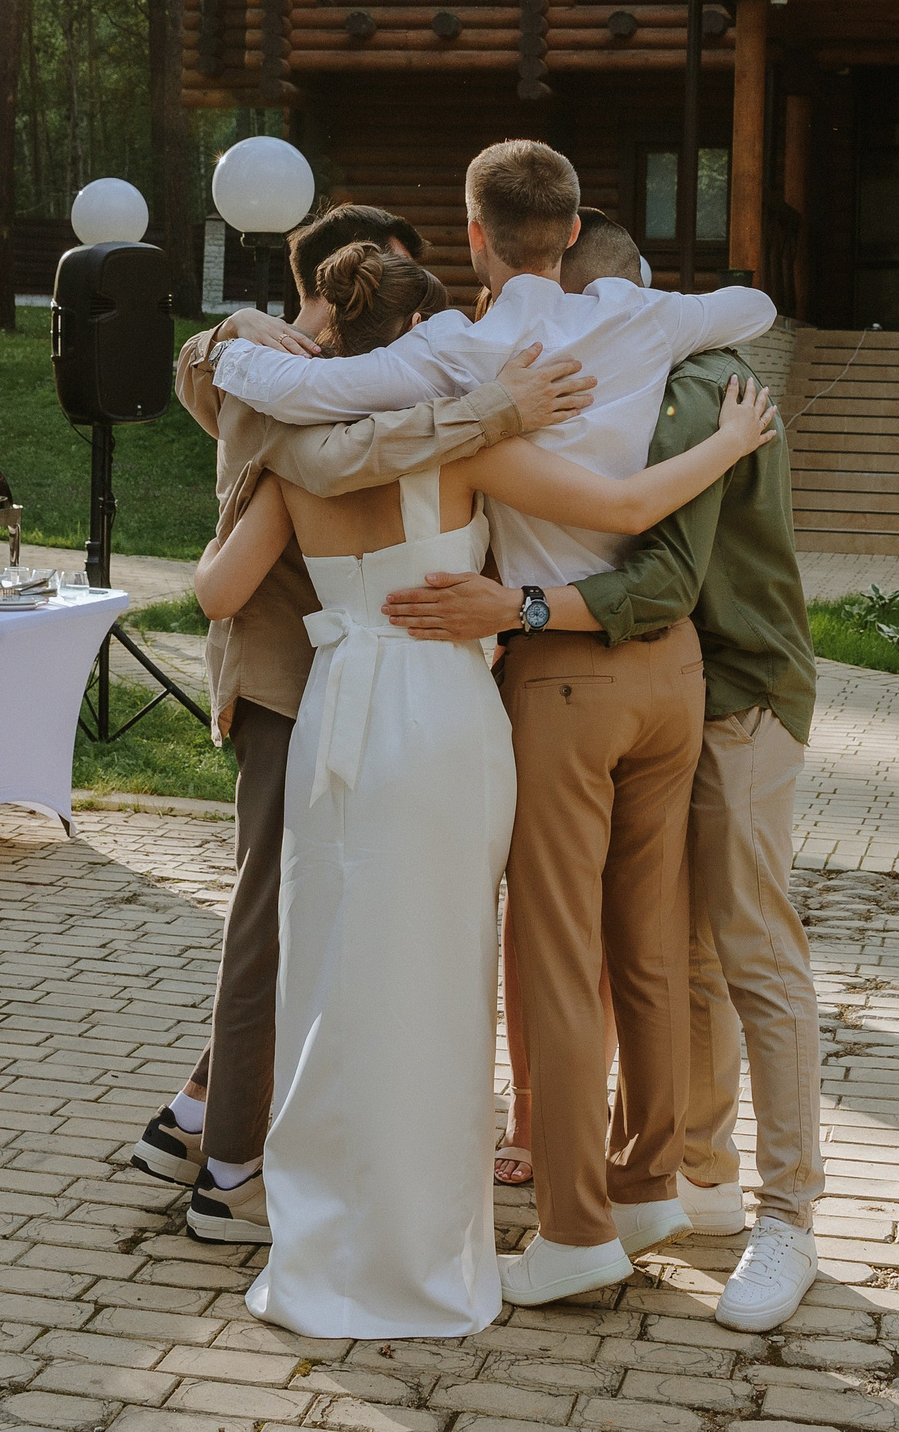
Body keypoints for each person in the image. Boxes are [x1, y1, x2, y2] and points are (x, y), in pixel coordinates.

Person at [205, 140, 777, 1308]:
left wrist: (230, 344)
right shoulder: (604, 340)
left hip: (438, 688)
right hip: (567, 683)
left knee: (432, 962)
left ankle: (480, 1222)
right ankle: (613, 1188)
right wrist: (721, 430)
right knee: (576, 953)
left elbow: (275, 449)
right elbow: (738, 328)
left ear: (474, 235)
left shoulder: (420, 384)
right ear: (568, 232)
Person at [383, 209, 826, 1332]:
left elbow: (661, 576)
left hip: (732, 688)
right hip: (684, 687)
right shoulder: (654, 375)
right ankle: (682, 1182)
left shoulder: (689, 392)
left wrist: (519, 604)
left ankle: (777, 1218)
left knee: (736, 947)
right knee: (672, 951)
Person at [130, 203, 593, 1246]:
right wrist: (495, 412)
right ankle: (231, 1169)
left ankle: (194, 1116)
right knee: (276, 924)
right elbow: (342, 460)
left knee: (322, 918)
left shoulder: (280, 369)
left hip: (340, 679)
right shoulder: (280, 383)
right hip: (303, 681)